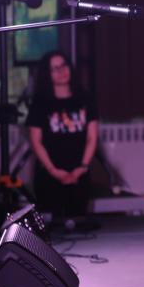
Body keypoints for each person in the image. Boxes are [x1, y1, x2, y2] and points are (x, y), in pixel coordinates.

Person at [28, 51, 99, 225]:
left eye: (64, 65)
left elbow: (92, 137)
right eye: (55, 69)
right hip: (49, 174)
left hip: (79, 173)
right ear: (47, 74)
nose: (61, 71)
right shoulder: (40, 102)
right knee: (52, 226)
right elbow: (36, 142)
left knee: (79, 224)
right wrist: (53, 170)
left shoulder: (84, 98)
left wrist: (82, 167)